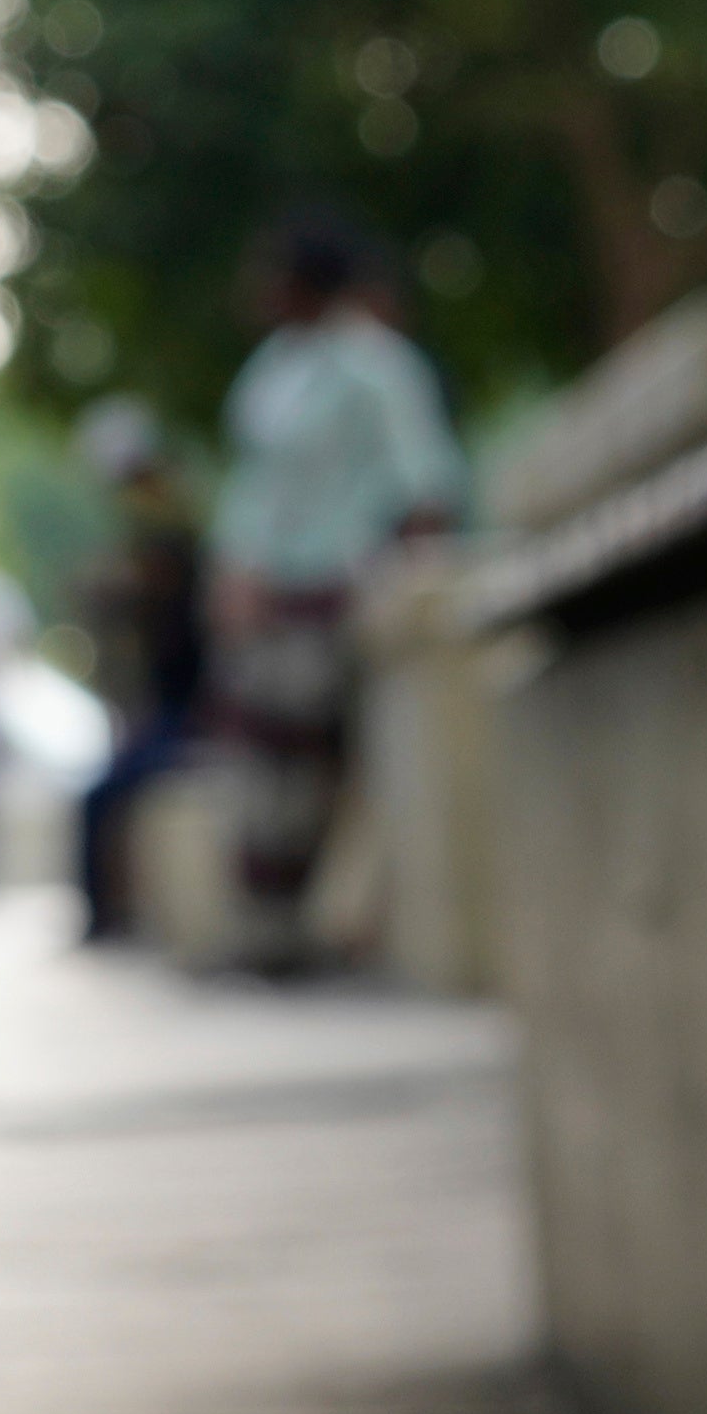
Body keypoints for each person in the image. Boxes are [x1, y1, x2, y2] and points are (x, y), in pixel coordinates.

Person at [196, 214, 468, 968]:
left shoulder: (373, 365)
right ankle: (268, 929)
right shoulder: (274, 369)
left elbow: (424, 483)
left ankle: (309, 930)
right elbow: (255, 489)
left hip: (336, 589)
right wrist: (235, 574)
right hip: (267, 599)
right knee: (260, 761)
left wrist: (408, 582)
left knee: (312, 756)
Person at [65, 401, 207, 946]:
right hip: (163, 710)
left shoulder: (166, 535)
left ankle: (105, 922)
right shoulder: (158, 530)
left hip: (185, 716)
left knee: (100, 800)